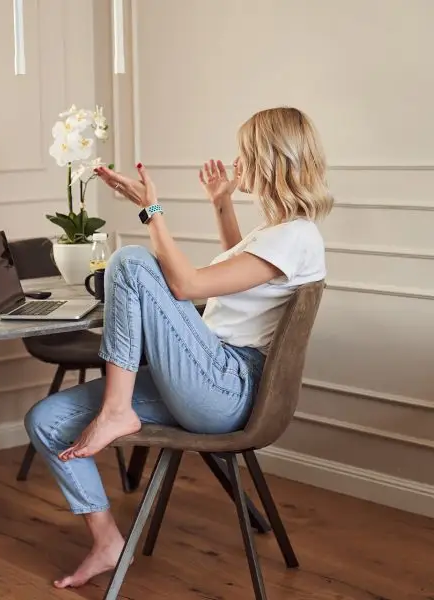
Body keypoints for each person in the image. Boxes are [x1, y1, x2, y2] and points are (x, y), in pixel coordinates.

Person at [23, 106, 333, 589]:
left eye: (245, 152)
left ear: (270, 159)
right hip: (206, 375)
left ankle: (116, 409)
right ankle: (106, 541)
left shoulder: (298, 235)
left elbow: (189, 286)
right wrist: (221, 204)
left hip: (227, 387)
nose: (236, 160)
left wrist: (152, 210)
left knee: (129, 260)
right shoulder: (281, 235)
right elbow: (237, 285)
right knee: (46, 421)